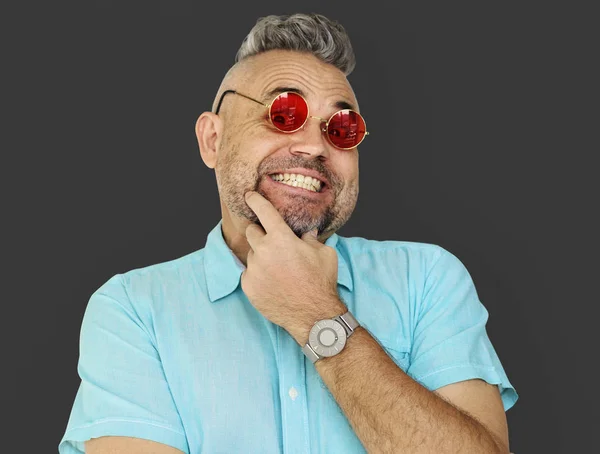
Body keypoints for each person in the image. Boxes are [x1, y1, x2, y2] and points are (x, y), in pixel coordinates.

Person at [59, 13, 518, 454]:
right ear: (212, 140)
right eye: (284, 113)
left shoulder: (427, 280)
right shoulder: (132, 310)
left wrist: (317, 315)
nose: (314, 146)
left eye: (341, 128)